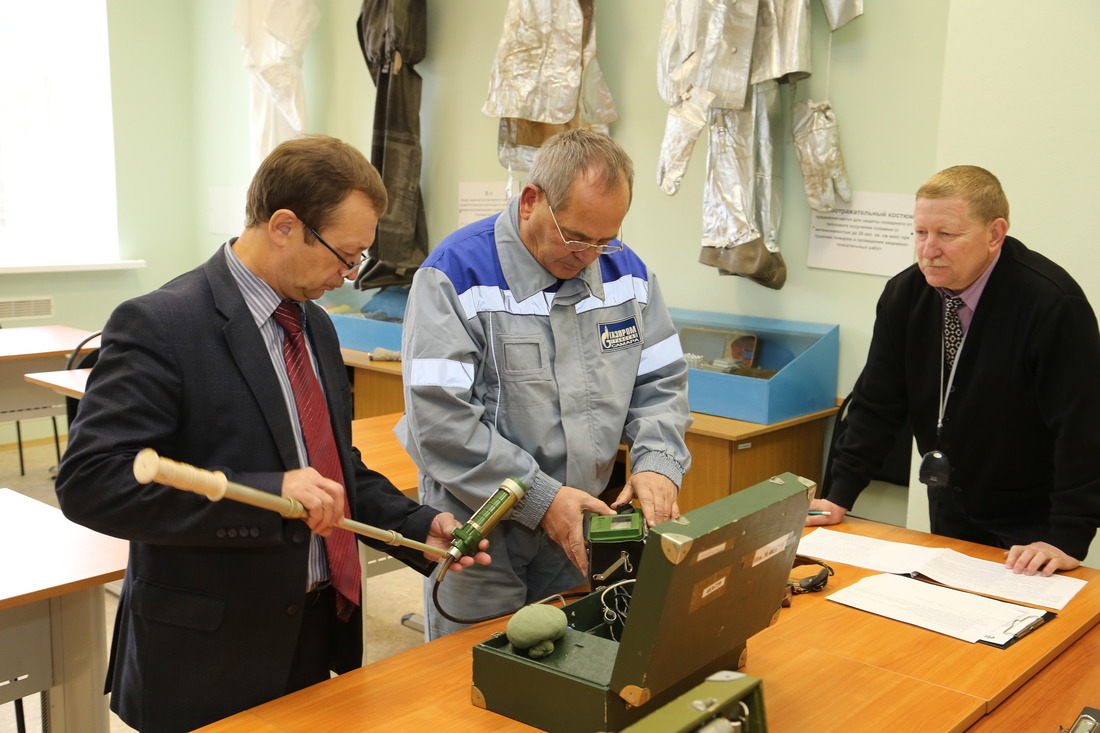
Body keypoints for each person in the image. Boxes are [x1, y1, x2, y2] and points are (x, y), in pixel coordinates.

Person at [55, 135, 488, 732]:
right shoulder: (160, 323)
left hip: (311, 631)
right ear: (284, 225)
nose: (350, 274)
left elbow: (333, 466)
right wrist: (270, 495)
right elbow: (91, 483)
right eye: (346, 255)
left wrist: (415, 527)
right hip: (207, 655)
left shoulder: (315, 325)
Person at [397, 128, 693, 639]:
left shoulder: (628, 275)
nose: (590, 256)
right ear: (531, 201)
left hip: (580, 528)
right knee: (474, 687)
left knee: (572, 669)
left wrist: (658, 465)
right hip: (481, 537)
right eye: (577, 237)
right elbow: (439, 421)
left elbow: (661, 384)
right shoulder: (454, 274)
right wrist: (542, 500)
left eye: (606, 239)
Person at [808, 165, 1100, 577]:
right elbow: (877, 402)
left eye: (947, 234)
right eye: (920, 233)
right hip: (950, 500)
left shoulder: (1052, 304)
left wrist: (1067, 537)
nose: (928, 249)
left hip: (1033, 518)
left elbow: (1083, 428)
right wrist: (839, 495)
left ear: (995, 234)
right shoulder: (905, 294)